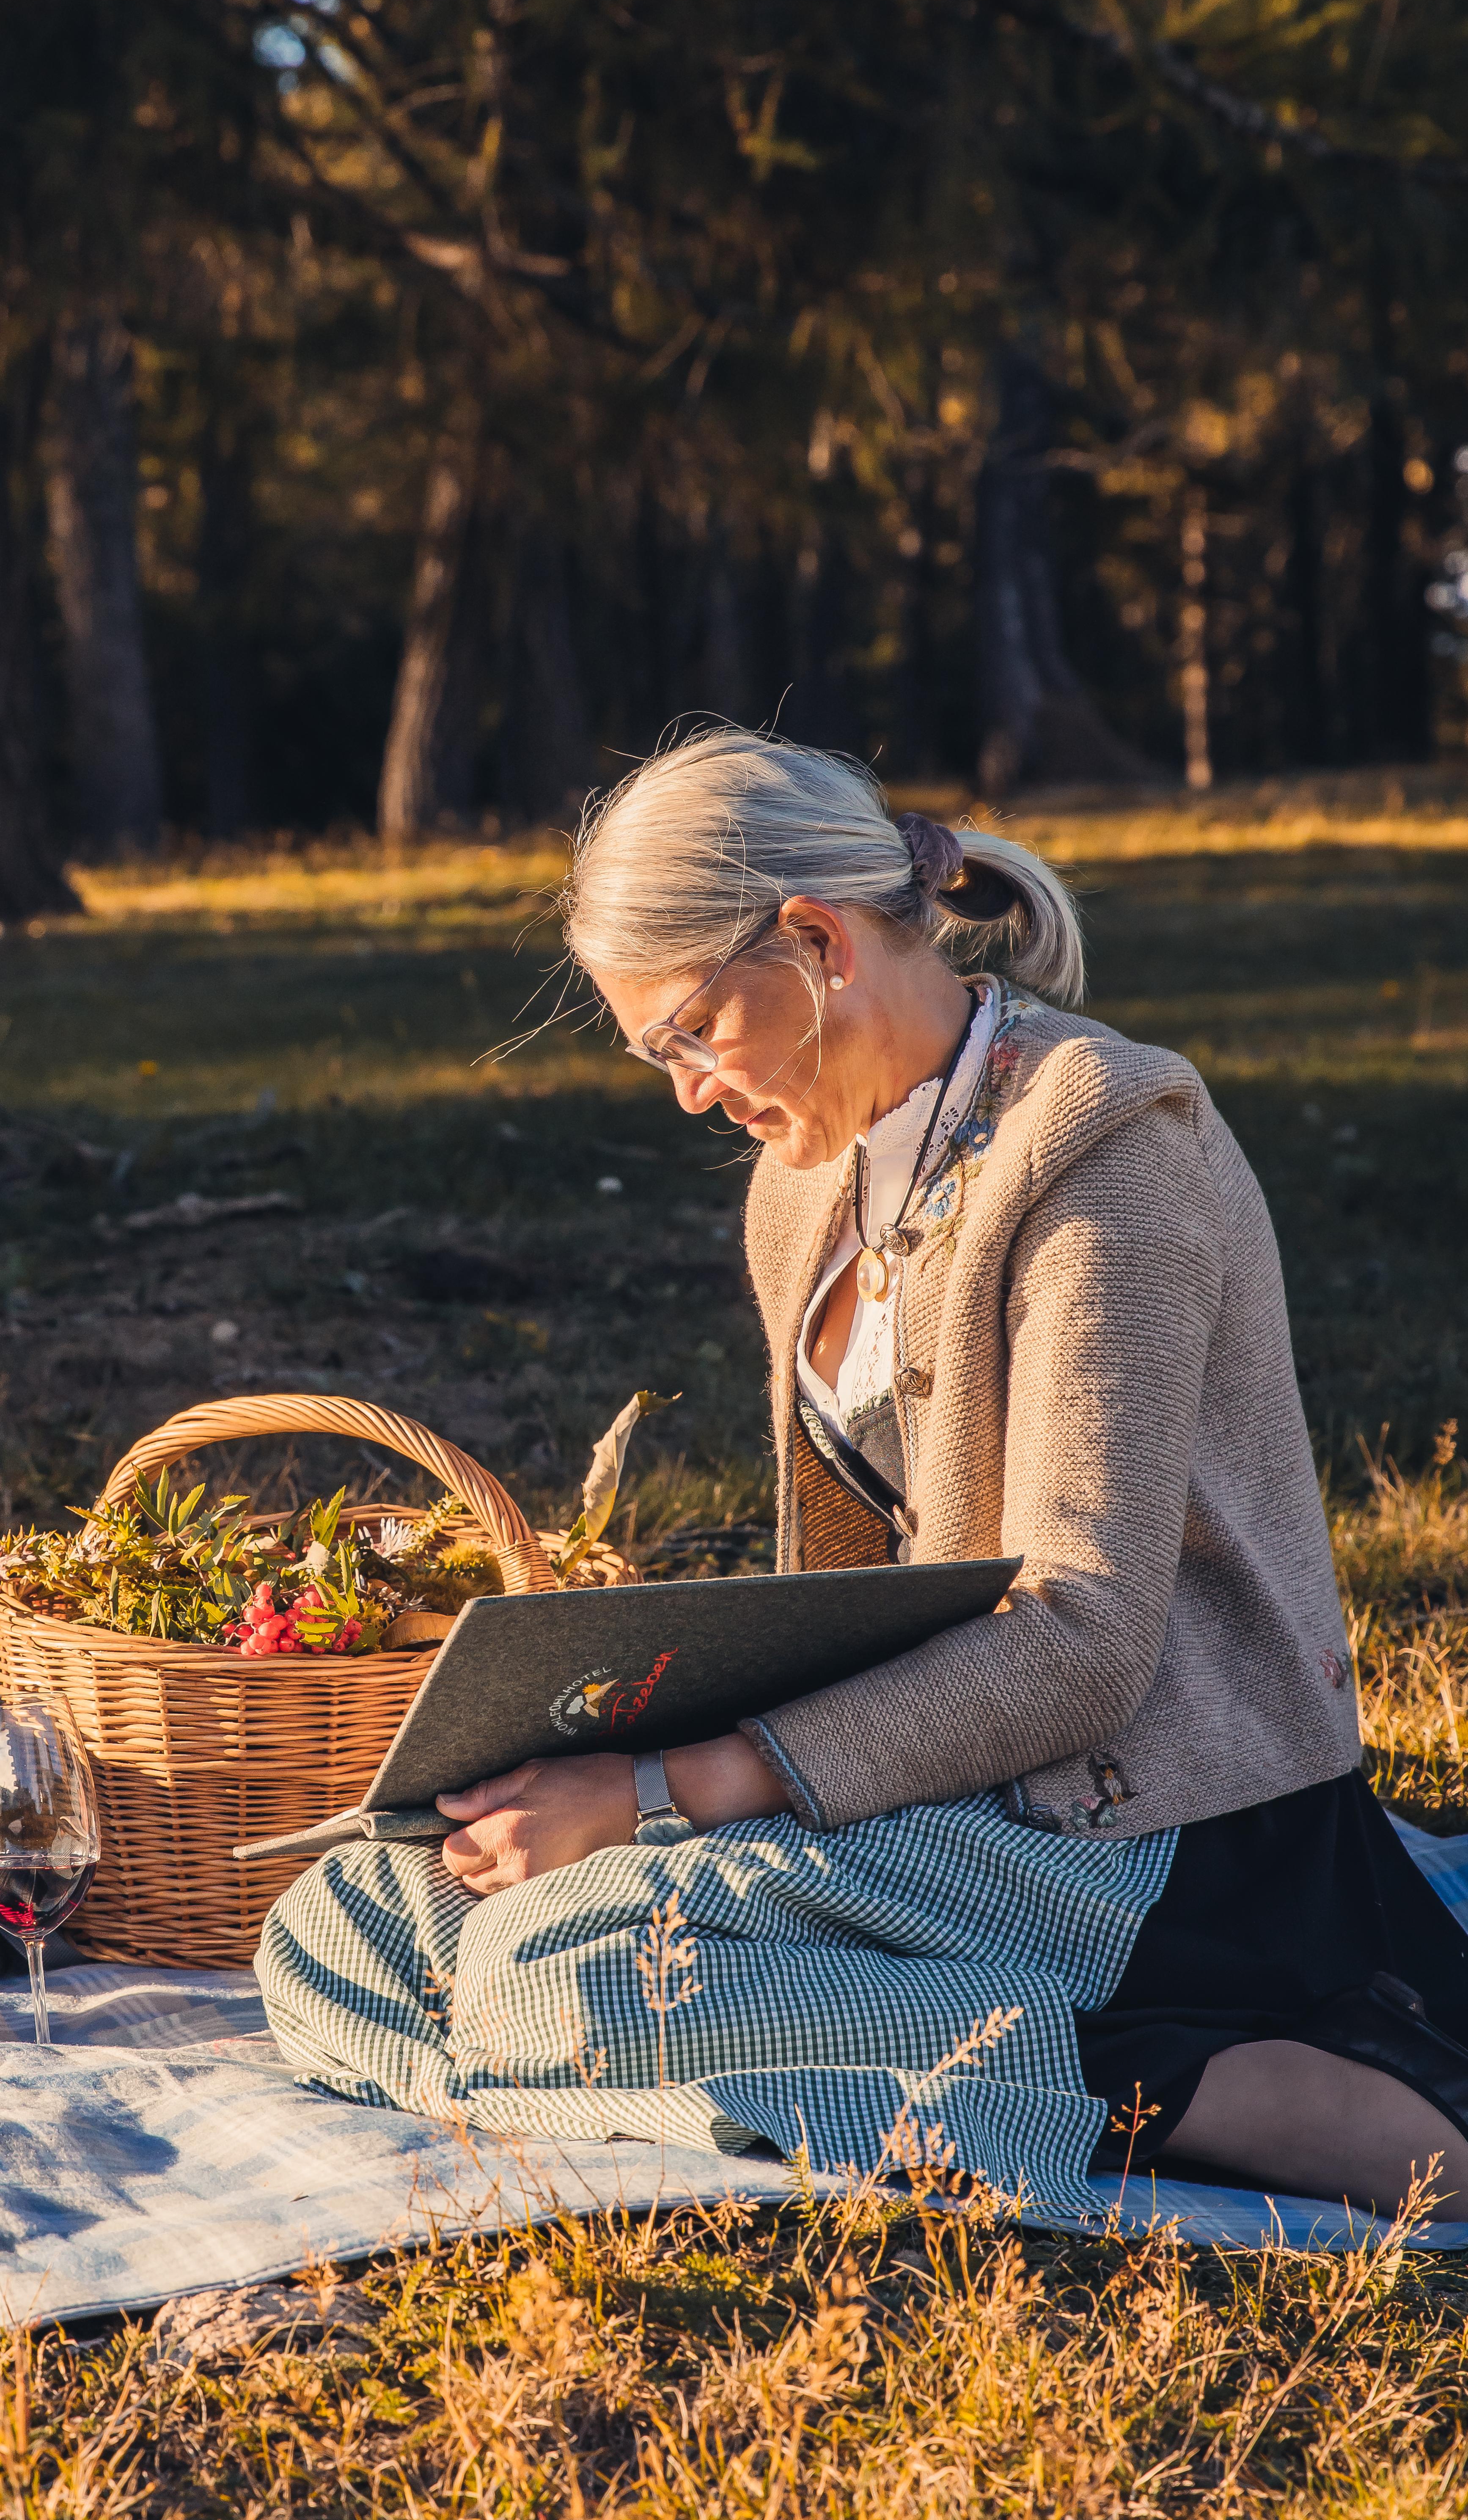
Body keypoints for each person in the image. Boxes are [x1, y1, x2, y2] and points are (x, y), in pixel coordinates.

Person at [258, 729, 1468, 2221]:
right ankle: (634, 2059)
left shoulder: (1104, 1148)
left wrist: (657, 1794)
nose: (691, 1093)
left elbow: (1085, 1642)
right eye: (661, 1055)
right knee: (343, 1923)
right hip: (931, 1786)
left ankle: (1192, 2084)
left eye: (691, 1035)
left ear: (818, 943)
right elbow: (852, 1592)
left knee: (560, 1960)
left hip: (1146, 1829)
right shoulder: (799, 1191)